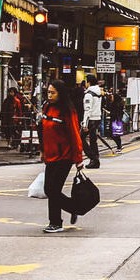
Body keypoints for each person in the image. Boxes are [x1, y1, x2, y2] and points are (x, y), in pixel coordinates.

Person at [38, 82, 84, 234]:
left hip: (64, 156)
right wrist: (42, 151)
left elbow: (75, 135)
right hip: (50, 155)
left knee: (53, 189)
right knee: (49, 189)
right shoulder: (47, 107)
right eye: (48, 92)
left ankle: (56, 222)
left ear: (61, 93)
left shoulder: (68, 111)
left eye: (53, 93)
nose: (49, 95)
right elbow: (44, 131)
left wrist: (78, 159)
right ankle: (71, 209)